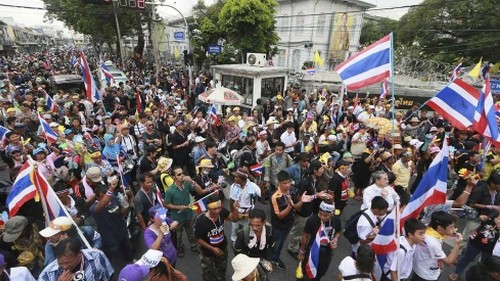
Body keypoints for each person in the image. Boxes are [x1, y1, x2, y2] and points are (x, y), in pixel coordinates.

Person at [164, 166, 220, 257]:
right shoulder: (170, 191)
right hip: (177, 218)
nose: (182, 176)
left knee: (191, 232)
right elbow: (166, 204)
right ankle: (179, 248)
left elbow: (200, 192)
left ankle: (193, 246)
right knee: (178, 235)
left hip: (188, 214)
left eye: (182, 173)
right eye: (179, 174)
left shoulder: (186, 184)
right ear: (174, 177)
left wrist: (192, 181)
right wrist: (178, 207)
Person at [287, 160, 332, 258]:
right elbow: (302, 198)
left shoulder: (315, 180)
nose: (322, 170)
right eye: (320, 168)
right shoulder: (305, 182)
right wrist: (317, 196)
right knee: (297, 230)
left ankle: (298, 243)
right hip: (303, 210)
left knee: (303, 229)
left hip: (309, 209)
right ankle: (292, 248)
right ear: (315, 171)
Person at [270, 170, 312, 271]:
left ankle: (275, 257)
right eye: (285, 183)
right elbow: (280, 216)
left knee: (282, 242)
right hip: (278, 225)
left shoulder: (292, 190)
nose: (288, 185)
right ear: (279, 183)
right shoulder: (275, 197)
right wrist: (290, 206)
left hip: (289, 223)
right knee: (275, 244)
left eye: (289, 182)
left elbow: (297, 207)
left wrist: (301, 201)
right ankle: (271, 258)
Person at [194, 195, 238, 281]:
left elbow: (234, 219)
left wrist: (235, 209)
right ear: (208, 208)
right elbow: (198, 238)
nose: (217, 211)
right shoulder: (201, 221)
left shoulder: (222, 212)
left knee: (221, 268)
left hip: (222, 248)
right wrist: (212, 249)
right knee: (208, 272)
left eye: (219, 208)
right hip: (207, 252)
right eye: (214, 209)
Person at [412, 211, 463, 281]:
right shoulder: (433, 243)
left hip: (422, 267)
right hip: (427, 275)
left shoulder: (428, 228)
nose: (454, 230)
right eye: (451, 227)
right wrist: (458, 244)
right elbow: (449, 262)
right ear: (439, 228)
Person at [297, 201, 342, 281]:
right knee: (305, 274)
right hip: (312, 252)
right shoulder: (312, 220)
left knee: (319, 275)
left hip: (327, 254)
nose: (322, 217)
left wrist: (335, 239)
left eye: (325, 215)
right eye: (320, 214)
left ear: (332, 214)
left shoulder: (336, 220)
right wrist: (302, 252)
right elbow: (305, 236)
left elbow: (338, 231)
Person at [38, 238, 114, 281]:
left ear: (79, 254)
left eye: (67, 262)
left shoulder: (97, 256)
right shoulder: (47, 275)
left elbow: (109, 276)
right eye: (60, 263)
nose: (64, 266)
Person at [233, 209, 273, 273]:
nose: (254, 228)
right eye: (252, 225)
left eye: (258, 225)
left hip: (260, 259)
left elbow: (270, 247)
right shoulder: (243, 234)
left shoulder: (269, 232)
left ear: (264, 222)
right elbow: (237, 251)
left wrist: (268, 260)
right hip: (247, 262)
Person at [229, 167, 261, 244]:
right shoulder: (233, 186)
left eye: (237, 177)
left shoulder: (252, 186)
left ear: (242, 179)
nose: (234, 178)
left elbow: (261, 195)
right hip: (237, 211)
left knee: (246, 229)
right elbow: (231, 200)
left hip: (248, 212)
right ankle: (234, 241)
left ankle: (245, 242)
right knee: (235, 228)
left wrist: (261, 186)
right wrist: (232, 212)